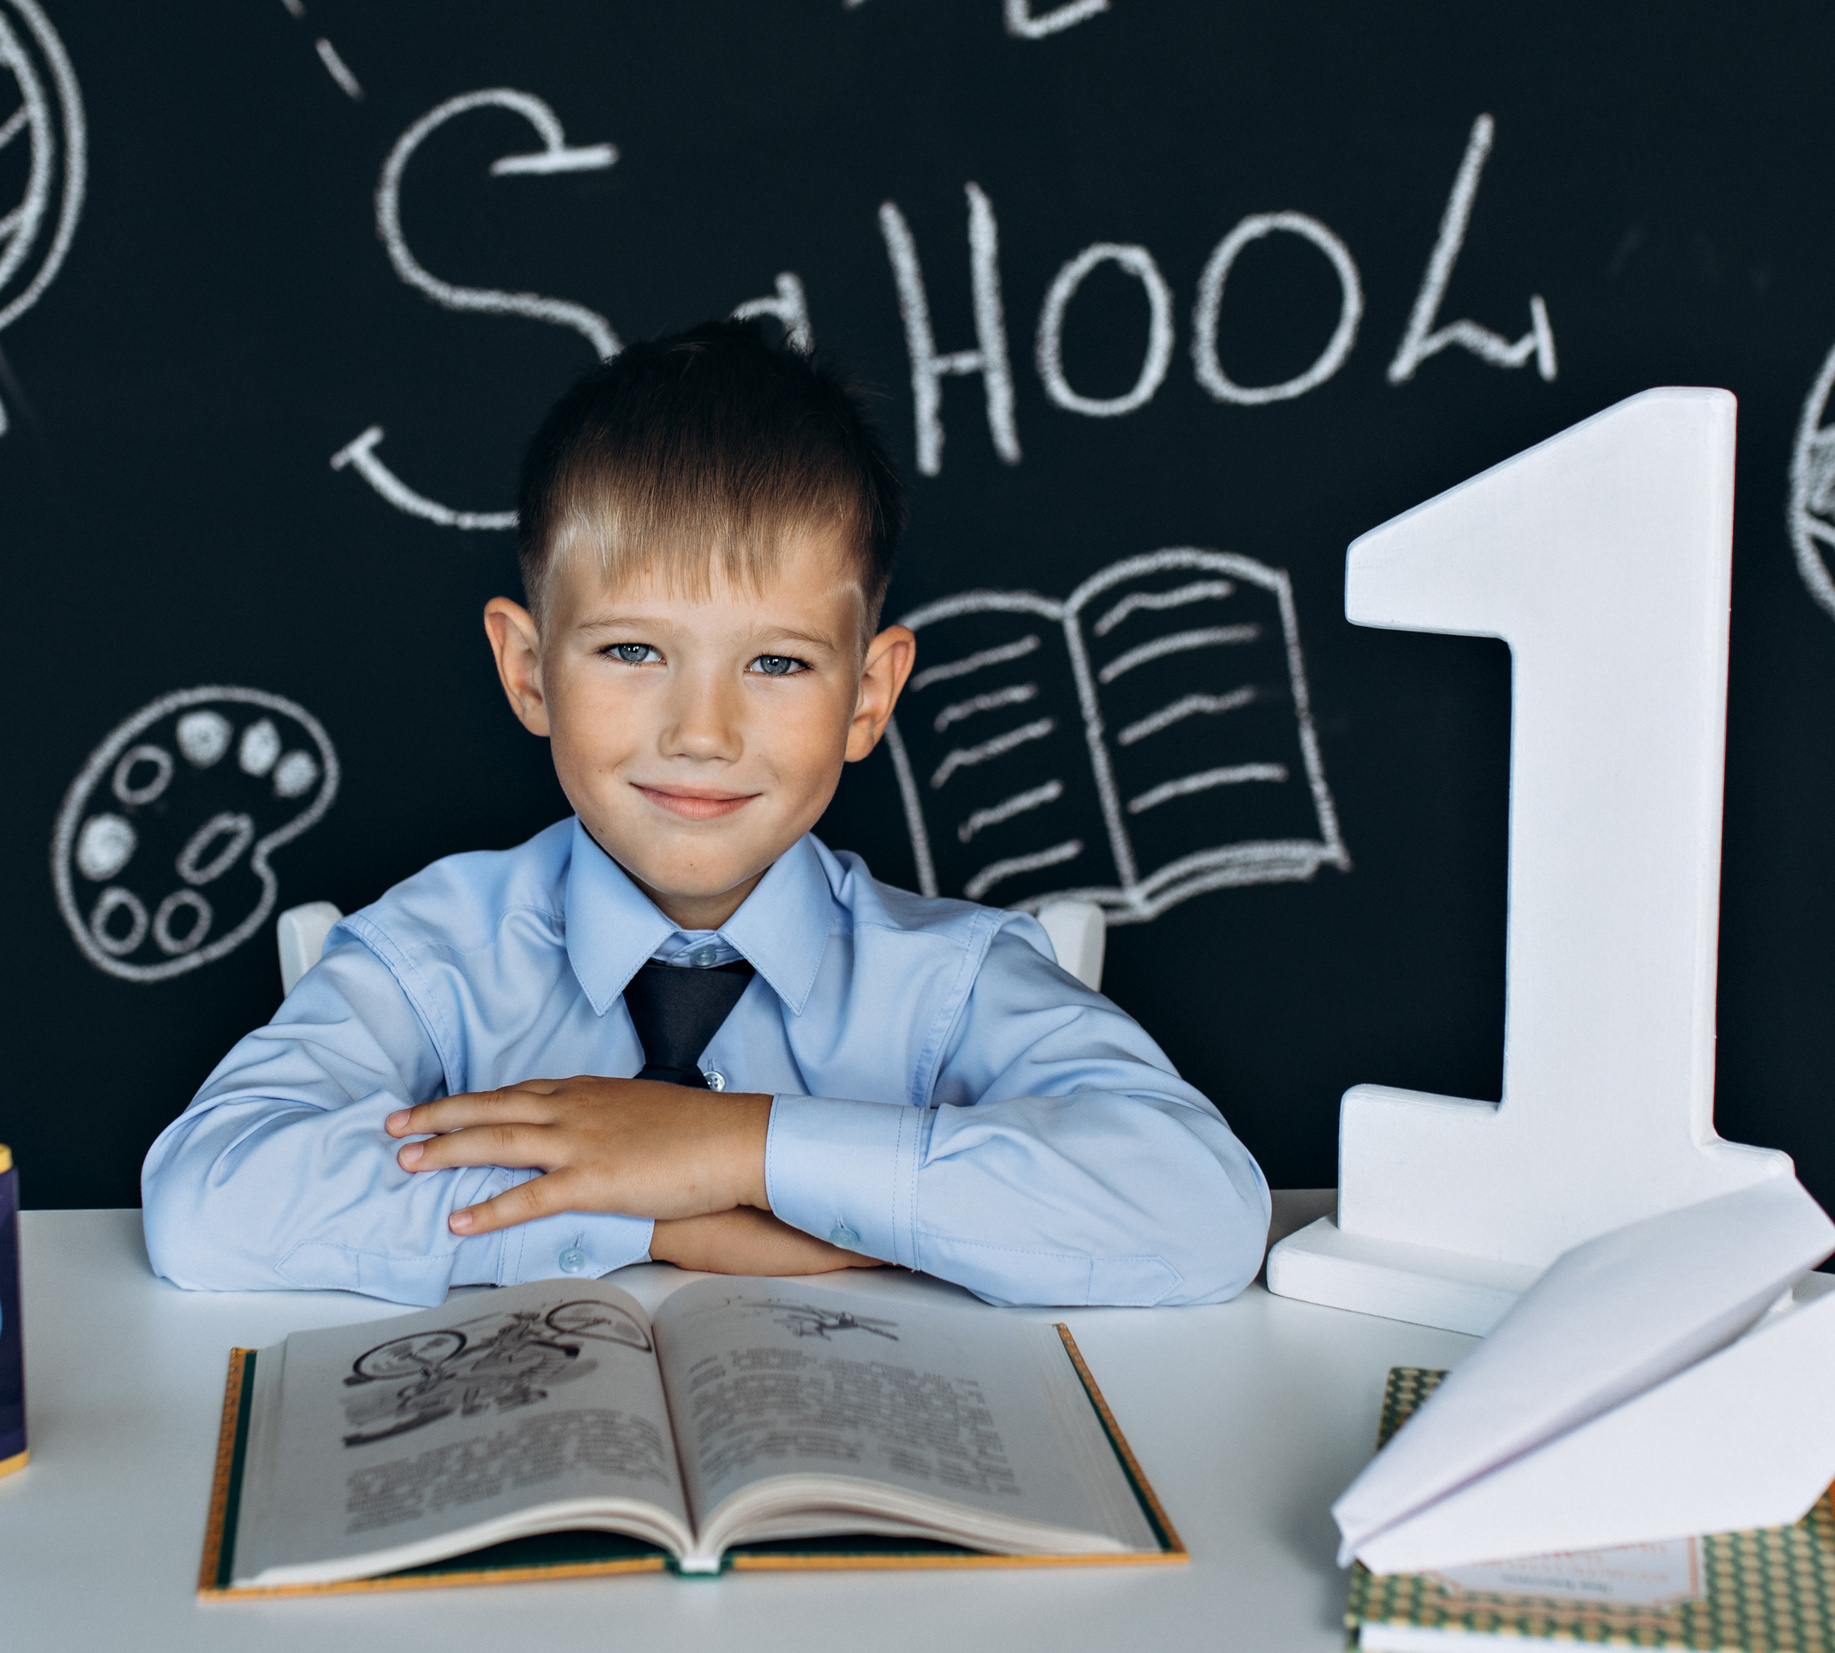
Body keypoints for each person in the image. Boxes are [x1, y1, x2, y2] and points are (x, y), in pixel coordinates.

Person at [140, 320, 1269, 1307]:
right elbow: (208, 1197)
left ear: (867, 696)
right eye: (633, 650)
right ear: (528, 670)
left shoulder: (949, 983)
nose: (701, 732)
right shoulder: (435, 957)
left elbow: (1199, 1212)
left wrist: (735, 1147)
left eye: (775, 664)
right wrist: (652, 1218)